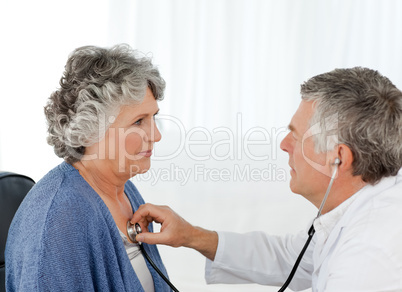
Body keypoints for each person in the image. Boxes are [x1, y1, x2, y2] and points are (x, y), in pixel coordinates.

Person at [130, 67, 402, 291]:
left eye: (295, 136)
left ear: (339, 157)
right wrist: (190, 236)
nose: (284, 145)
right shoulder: (360, 207)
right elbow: (289, 259)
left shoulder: (368, 255)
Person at [6, 44, 172, 291]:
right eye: (138, 122)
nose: (156, 135)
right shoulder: (59, 221)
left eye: (153, 117)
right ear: (90, 130)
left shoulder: (125, 190)